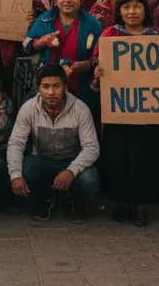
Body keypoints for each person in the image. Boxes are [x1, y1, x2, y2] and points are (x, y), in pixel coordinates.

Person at [92, 0, 159, 226]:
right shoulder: (109, 34)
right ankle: (121, 202)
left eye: (136, 7)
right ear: (119, 11)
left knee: (144, 156)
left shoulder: (158, 36)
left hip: (149, 110)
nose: (132, 12)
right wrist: (98, 72)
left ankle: (142, 205)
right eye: (126, 7)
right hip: (119, 108)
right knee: (118, 155)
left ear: (145, 10)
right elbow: (98, 63)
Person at [7, 63, 100, 221]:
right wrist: (15, 175)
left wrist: (71, 171)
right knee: (26, 169)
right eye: (46, 86)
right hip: (43, 161)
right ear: (38, 89)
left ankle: (74, 204)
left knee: (90, 180)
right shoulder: (28, 109)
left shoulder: (80, 109)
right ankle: (45, 199)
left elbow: (92, 148)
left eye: (56, 86)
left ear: (65, 87)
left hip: (72, 162)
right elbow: (16, 143)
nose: (51, 92)